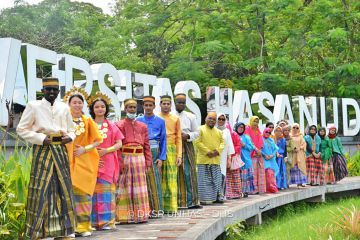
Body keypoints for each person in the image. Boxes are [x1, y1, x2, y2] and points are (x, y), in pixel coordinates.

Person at [17, 77, 76, 239]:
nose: (51, 92)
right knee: (42, 187)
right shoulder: (33, 106)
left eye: (54, 90)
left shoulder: (64, 107)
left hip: (60, 150)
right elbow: (21, 129)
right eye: (48, 89)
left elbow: (72, 129)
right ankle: (43, 231)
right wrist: (41, 139)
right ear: (42, 91)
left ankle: (64, 230)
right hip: (43, 149)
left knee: (62, 187)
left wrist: (70, 137)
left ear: (58, 91)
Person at [65, 87, 103, 237]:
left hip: (85, 161)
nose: (77, 105)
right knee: (69, 194)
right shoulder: (64, 118)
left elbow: (98, 140)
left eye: (80, 103)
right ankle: (70, 227)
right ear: (69, 104)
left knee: (84, 193)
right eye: (74, 102)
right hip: (67, 160)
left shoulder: (87, 121)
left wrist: (84, 149)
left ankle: (83, 227)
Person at [89, 92, 124, 230]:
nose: (99, 109)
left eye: (102, 106)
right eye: (96, 107)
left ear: (106, 109)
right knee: (91, 192)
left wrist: (106, 150)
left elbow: (119, 143)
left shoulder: (111, 125)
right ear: (92, 109)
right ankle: (92, 223)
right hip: (91, 161)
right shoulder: (88, 124)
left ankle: (107, 222)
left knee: (106, 192)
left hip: (108, 161)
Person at [116, 99, 152, 223]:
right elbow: (118, 146)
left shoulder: (142, 126)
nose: (132, 109)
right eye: (129, 107)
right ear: (125, 109)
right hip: (126, 157)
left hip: (139, 159)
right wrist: (120, 162)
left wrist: (148, 162)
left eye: (134, 107)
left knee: (139, 188)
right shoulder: (119, 125)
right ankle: (125, 216)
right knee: (125, 185)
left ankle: (140, 215)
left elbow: (147, 145)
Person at [137, 96, 167, 216]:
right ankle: (145, 210)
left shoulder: (160, 121)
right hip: (141, 151)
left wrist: (161, 157)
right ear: (143, 106)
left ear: (154, 106)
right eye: (146, 105)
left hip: (155, 150)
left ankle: (157, 209)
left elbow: (164, 139)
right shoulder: (138, 120)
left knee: (155, 180)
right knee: (142, 180)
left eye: (150, 105)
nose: (148, 107)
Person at [174, 93, 201, 209]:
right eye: (179, 102)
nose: (181, 104)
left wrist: (188, 136)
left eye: (183, 103)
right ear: (175, 103)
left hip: (187, 145)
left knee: (189, 173)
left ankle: (193, 202)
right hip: (173, 146)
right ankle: (177, 202)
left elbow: (197, 132)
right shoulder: (170, 116)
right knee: (175, 174)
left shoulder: (191, 116)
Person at [158, 95, 182, 213]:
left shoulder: (175, 118)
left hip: (172, 149)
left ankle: (171, 207)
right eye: (164, 103)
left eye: (168, 104)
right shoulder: (157, 117)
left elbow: (179, 138)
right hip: (158, 148)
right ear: (160, 104)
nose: (166, 106)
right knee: (160, 177)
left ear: (171, 105)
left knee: (171, 178)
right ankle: (159, 205)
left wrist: (179, 155)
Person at [195, 112, 225, 204]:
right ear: (205, 119)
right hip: (203, 160)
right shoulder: (200, 129)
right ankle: (204, 199)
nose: (212, 120)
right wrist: (208, 152)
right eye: (210, 118)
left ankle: (217, 197)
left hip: (215, 160)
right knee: (204, 181)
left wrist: (217, 151)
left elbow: (223, 143)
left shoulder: (219, 132)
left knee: (216, 180)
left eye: (213, 119)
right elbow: (197, 142)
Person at [216, 113, 235, 199]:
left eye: (223, 119)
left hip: (223, 157)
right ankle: (213, 195)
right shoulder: (213, 129)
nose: (220, 121)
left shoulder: (227, 131)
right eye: (219, 119)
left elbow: (230, 146)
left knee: (222, 174)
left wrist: (229, 159)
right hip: (213, 156)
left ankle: (221, 195)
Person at [244, 116, 264, 194]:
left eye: (257, 122)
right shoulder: (247, 129)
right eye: (254, 121)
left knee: (259, 172)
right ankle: (253, 189)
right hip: (250, 154)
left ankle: (259, 188)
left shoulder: (258, 131)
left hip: (258, 154)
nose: (255, 123)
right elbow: (249, 142)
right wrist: (255, 150)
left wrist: (260, 150)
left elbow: (261, 142)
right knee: (252, 172)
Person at [234, 122, 255, 196]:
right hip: (236, 160)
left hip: (245, 160)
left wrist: (244, 145)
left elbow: (251, 147)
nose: (240, 129)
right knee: (237, 177)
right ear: (236, 127)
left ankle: (245, 191)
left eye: (242, 127)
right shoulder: (234, 135)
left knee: (245, 177)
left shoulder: (246, 137)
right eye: (239, 127)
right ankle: (237, 192)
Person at [262, 128, 279, 193]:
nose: (268, 133)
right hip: (264, 159)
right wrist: (264, 155)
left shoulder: (271, 140)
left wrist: (271, 155)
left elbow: (275, 149)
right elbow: (259, 148)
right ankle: (268, 189)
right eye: (266, 132)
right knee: (267, 174)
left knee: (272, 174)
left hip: (271, 159)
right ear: (264, 132)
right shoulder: (261, 139)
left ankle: (272, 188)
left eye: (269, 133)